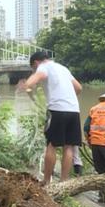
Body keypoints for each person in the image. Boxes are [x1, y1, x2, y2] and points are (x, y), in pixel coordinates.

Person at [22, 51, 82, 186]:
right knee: (69, 147)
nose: (34, 70)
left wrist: (27, 86)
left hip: (57, 110)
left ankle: (47, 180)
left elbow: (34, 79)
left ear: (36, 62)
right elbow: (78, 88)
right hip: (73, 110)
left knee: (52, 145)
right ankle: (63, 182)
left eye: (33, 68)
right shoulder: (63, 68)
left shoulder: (43, 66)